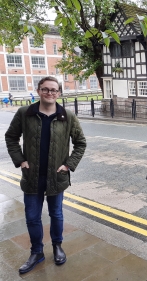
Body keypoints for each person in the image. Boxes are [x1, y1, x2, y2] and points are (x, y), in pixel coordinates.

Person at [5, 76, 86, 274]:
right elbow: (11, 137)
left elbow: (80, 143)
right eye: (45, 89)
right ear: (39, 90)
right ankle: (36, 252)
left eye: (54, 90)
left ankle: (57, 246)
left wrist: (68, 165)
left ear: (59, 93)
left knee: (56, 214)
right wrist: (20, 160)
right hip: (32, 177)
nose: (50, 93)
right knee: (32, 217)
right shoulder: (25, 113)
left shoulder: (67, 116)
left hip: (56, 177)